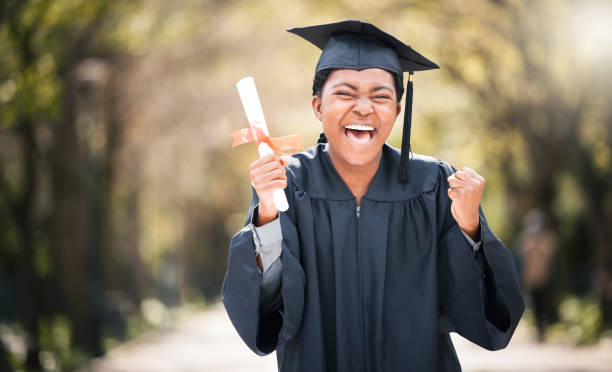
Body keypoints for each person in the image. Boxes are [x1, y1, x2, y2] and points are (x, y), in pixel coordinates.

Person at [222, 20, 524, 371]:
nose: (364, 108)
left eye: (381, 96)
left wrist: (470, 226)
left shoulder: (434, 183)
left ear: (397, 109)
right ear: (318, 107)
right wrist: (268, 215)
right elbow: (268, 310)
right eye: (345, 94)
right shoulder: (288, 182)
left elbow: (475, 310)